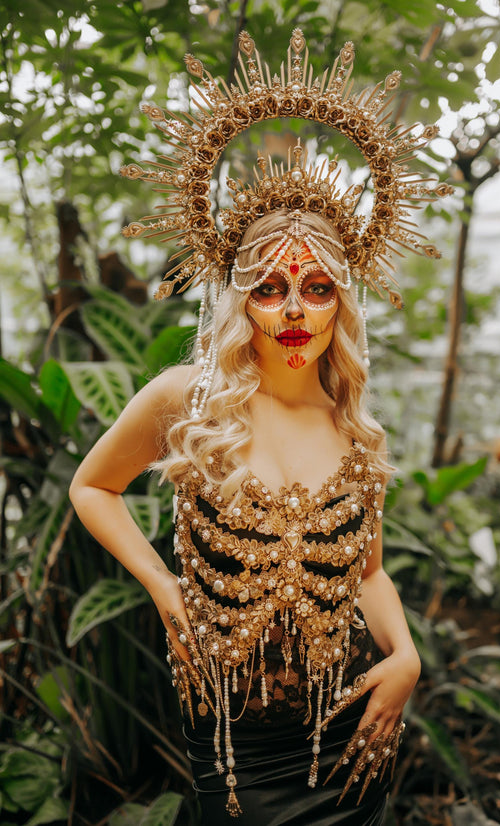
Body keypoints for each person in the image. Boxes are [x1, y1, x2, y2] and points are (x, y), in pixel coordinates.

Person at [69, 28, 450, 826]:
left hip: (351, 730)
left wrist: (407, 655)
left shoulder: (353, 426)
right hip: (236, 750)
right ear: (239, 294)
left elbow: (369, 574)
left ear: (343, 299)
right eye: (269, 287)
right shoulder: (187, 400)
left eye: (316, 287)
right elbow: (93, 487)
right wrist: (164, 587)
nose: (292, 312)